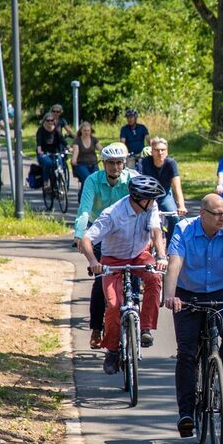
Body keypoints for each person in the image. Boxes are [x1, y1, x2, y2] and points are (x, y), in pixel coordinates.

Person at [163, 194, 223, 436]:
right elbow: (174, 265)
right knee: (187, 352)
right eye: (218, 214)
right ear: (202, 213)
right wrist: (170, 295)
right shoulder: (184, 229)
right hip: (188, 292)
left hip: (221, 290)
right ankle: (186, 413)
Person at [78, 175, 167, 374]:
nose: (153, 202)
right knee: (113, 304)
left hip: (139, 255)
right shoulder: (112, 214)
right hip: (113, 260)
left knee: (154, 278)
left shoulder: (150, 207)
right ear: (138, 199)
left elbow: (156, 232)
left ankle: (145, 328)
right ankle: (111, 350)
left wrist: (161, 256)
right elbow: (86, 240)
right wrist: (94, 262)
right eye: (150, 199)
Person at [74, 144, 138, 349]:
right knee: (101, 280)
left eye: (119, 162)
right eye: (111, 163)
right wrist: (79, 234)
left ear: (124, 163)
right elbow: (85, 210)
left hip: (127, 232)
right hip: (100, 231)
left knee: (134, 273)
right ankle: (96, 328)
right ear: (103, 164)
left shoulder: (133, 179)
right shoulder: (93, 180)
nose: (115, 167)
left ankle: (138, 321)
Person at [137, 136, 187, 223]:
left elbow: (177, 187)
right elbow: (138, 183)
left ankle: (171, 237)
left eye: (163, 150)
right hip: (147, 197)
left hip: (165, 196)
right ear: (152, 151)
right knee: (140, 219)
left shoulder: (171, 163)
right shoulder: (143, 163)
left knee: (175, 218)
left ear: (167, 151)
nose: (160, 153)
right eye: (156, 150)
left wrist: (181, 206)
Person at [35, 112, 67, 189]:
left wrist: (68, 147)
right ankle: (46, 181)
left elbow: (62, 139)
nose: (50, 122)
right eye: (48, 120)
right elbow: (39, 142)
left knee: (60, 161)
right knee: (48, 163)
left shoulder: (56, 130)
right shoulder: (41, 130)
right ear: (44, 121)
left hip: (55, 152)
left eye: (52, 120)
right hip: (44, 153)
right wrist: (39, 150)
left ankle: (60, 179)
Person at [70, 121, 100, 187]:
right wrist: (74, 159)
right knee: (87, 179)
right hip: (81, 164)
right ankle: (82, 196)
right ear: (81, 131)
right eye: (85, 130)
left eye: (88, 130)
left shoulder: (94, 139)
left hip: (94, 164)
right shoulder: (77, 140)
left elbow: (101, 148)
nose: (86, 132)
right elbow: (76, 151)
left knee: (97, 180)